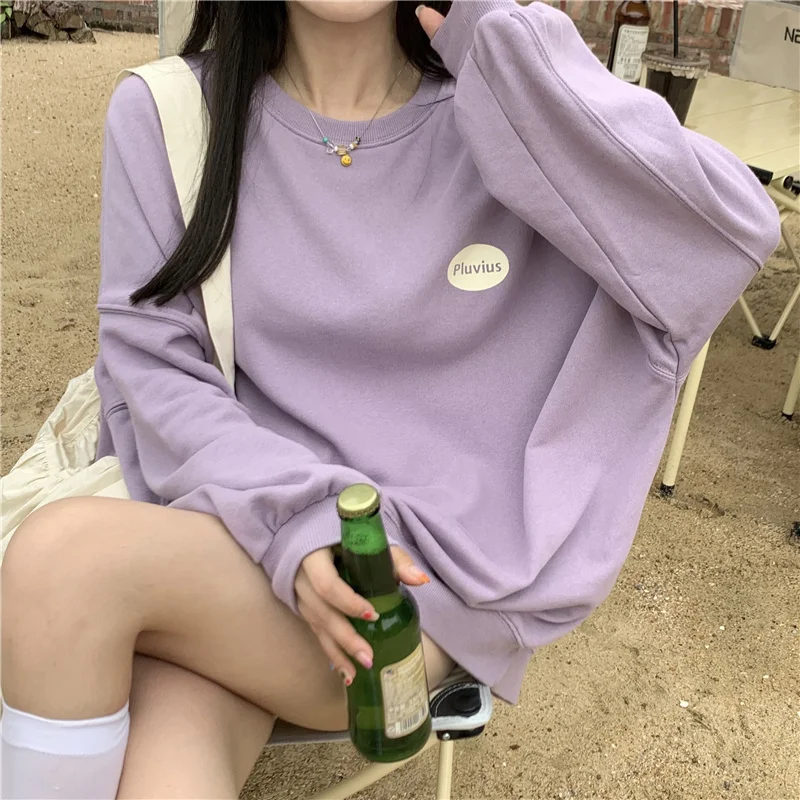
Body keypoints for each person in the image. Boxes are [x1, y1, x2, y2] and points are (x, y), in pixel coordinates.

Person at [1, 0, 780, 797]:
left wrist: (504, 46)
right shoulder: (169, 114)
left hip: (410, 584)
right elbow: (155, 366)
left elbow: (723, 239)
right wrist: (292, 518)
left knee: (63, 566)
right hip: (231, 533)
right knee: (166, 767)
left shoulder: (509, 104)